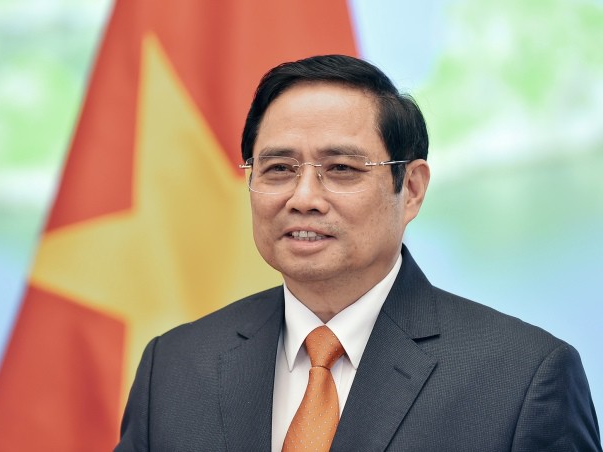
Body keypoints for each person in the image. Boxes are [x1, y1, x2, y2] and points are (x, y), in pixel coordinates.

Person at [114, 55, 601, 451]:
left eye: (342, 169)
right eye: (279, 169)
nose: (303, 198)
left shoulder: (523, 378)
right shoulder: (174, 367)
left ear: (411, 189)